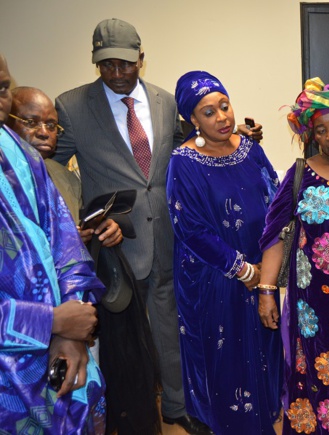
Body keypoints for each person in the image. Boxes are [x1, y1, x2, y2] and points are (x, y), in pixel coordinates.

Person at [54, 19, 259, 434]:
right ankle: (128, 415)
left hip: (172, 237)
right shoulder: (71, 107)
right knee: (121, 342)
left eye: (125, 64)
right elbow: (52, 172)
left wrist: (235, 134)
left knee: (173, 329)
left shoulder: (167, 102)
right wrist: (84, 222)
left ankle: (178, 407)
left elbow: (195, 144)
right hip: (116, 248)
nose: (115, 73)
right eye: (106, 64)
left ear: (141, 60)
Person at [167, 70, 283, 434]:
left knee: (263, 356)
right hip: (215, 280)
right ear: (191, 120)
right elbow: (191, 229)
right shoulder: (183, 162)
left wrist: (266, 272)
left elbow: (276, 198)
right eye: (208, 112)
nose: (222, 117)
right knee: (228, 367)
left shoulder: (251, 149)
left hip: (261, 273)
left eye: (224, 106)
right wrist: (245, 271)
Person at [258, 78, 329, 435]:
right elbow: (274, 234)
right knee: (318, 381)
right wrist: (265, 291)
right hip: (314, 310)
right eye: (320, 130)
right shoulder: (300, 174)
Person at [0, 54, 106, 433]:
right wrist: (49, 322)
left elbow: (66, 247)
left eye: (1, 88)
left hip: (59, 361)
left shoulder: (21, 155)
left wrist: (70, 328)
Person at [8, 86, 122, 246]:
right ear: (5, 121)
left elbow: (75, 233)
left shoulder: (68, 180)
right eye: (31, 122)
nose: (44, 132)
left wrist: (98, 229)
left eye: (51, 125)